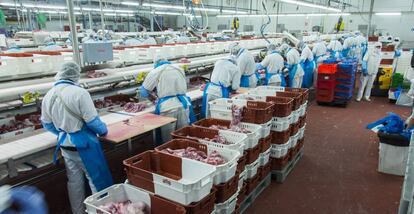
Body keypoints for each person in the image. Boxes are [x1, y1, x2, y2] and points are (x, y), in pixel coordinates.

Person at [41, 62, 113, 214]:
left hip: (65, 145)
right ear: (75, 75)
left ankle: (78, 211)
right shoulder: (80, 93)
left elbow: (47, 124)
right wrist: (104, 130)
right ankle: (100, 211)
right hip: (84, 145)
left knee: (74, 182)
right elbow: (93, 121)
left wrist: (64, 132)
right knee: (95, 180)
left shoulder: (48, 95)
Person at [139, 54, 195, 143]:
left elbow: (144, 91)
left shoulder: (156, 71)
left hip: (168, 108)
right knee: (183, 137)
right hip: (183, 106)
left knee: (168, 141)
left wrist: (152, 98)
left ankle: (170, 155)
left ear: (155, 63)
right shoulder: (179, 69)